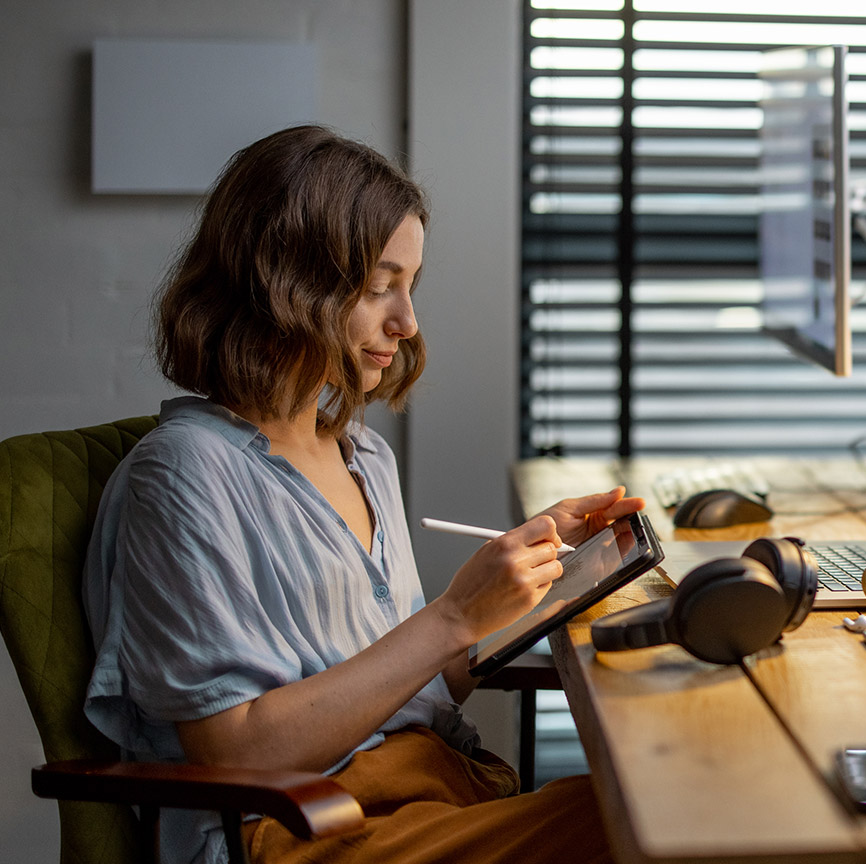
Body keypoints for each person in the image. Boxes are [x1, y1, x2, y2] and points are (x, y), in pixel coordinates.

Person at [82, 125, 639, 864]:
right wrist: (451, 616)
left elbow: (410, 687)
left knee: (656, 797)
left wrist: (536, 585)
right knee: (654, 821)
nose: (406, 324)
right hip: (297, 830)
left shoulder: (362, 453)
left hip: (424, 790)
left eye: (409, 288)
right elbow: (236, 758)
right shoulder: (183, 476)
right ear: (285, 283)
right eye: (380, 287)